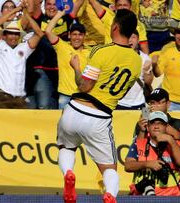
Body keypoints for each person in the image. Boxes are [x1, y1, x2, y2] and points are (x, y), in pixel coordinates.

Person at [57, 9, 141, 203]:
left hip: (75, 108)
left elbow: (84, 85)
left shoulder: (101, 51)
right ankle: (110, 195)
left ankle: (68, 173)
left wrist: (76, 68)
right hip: (100, 116)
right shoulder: (136, 61)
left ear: (115, 27)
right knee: (109, 169)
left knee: (66, 147)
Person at [0, 6, 43, 108]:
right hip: (1, 96)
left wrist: (26, 15)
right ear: (4, 35)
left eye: (16, 34)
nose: (13, 37)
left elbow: (39, 34)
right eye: (10, 33)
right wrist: (15, 10)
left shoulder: (24, 48)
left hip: (19, 98)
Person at [124, 111, 180, 196]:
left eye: (160, 123)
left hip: (171, 197)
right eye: (153, 123)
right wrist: (148, 164)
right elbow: (128, 166)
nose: (156, 126)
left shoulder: (175, 144)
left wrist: (171, 141)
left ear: (166, 127)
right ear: (148, 127)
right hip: (142, 197)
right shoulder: (138, 144)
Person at [45, 10, 90, 109]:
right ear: (69, 35)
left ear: (84, 37)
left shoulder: (90, 52)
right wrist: (60, 14)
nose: (77, 38)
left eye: (80, 34)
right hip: (65, 96)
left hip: (82, 97)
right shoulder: (62, 46)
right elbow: (48, 30)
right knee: (62, 124)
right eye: (74, 34)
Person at [151, 22, 180, 110]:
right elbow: (158, 74)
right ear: (174, 35)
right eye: (178, 32)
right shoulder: (167, 52)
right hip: (170, 102)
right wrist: (154, 65)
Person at [116, 30, 153, 110]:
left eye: (133, 37)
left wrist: (146, 71)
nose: (130, 40)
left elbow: (148, 82)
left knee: (143, 122)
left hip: (139, 103)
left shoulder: (145, 58)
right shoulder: (117, 56)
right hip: (119, 102)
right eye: (128, 37)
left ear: (138, 40)